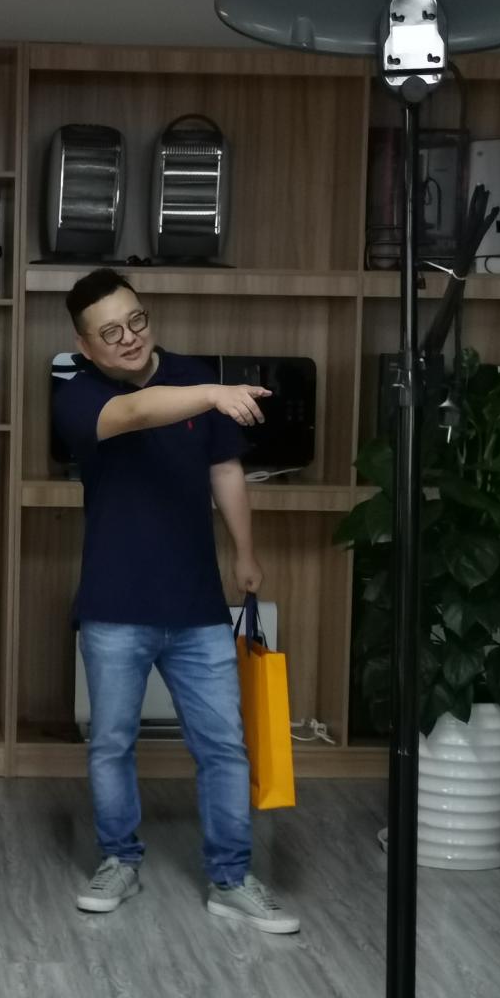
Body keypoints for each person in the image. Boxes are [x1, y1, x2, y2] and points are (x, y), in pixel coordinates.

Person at [52, 267, 302, 933]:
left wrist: (245, 553)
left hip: (196, 603)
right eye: (111, 332)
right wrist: (214, 393)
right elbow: (136, 412)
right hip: (114, 603)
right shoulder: (78, 395)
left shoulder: (191, 375)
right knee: (111, 743)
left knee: (224, 746)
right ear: (85, 346)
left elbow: (225, 469)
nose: (130, 337)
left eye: (136, 320)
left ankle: (231, 878)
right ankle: (119, 860)